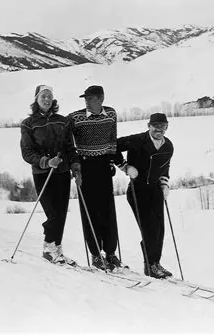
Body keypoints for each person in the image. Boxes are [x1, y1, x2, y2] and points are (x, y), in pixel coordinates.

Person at [20, 84, 82, 265]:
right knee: (52, 213)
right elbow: (27, 152)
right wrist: (46, 162)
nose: (46, 99)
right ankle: (48, 248)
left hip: (62, 172)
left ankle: (58, 249)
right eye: (42, 96)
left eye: (49, 96)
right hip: (42, 173)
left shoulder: (63, 121)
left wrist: (76, 168)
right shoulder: (28, 124)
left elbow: (70, 148)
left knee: (61, 213)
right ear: (36, 100)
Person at [68, 85, 125, 271]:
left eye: (90, 98)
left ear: (100, 99)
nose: (86, 102)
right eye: (85, 98)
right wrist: (74, 166)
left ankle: (110, 252)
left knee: (108, 210)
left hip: (103, 166)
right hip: (85, 167)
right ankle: (95, 253)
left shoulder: (111, 114)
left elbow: (113, 140)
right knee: (89, 210)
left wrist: (111, 161)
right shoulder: (75, 118)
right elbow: (67, 143)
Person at [117, 113, 174, 279]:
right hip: (137, 189)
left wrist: (164, 184)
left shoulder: (168, 146)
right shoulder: (138, 140)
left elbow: (165, 168)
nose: (159, 129)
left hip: (155, 190)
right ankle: (149, 265)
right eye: (156, 126)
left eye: (163, 126)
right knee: (150, 228)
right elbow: (113, 147)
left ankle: (155, 263)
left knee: (160, 230)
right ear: (149, 126)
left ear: (166, 127)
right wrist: (125, 167)